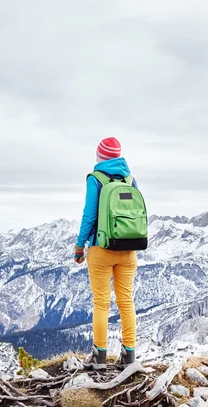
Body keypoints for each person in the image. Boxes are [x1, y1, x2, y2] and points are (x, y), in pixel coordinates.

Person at [74, 137, 139, 371]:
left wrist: (79, 247)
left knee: (101, 303)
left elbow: (89, 216)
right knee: (126, 302)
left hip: (102, 249)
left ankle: (99, 356)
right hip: (129, 249)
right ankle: (129, 356)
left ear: (100, 156)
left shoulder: (96, 179)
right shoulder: (130, 180)